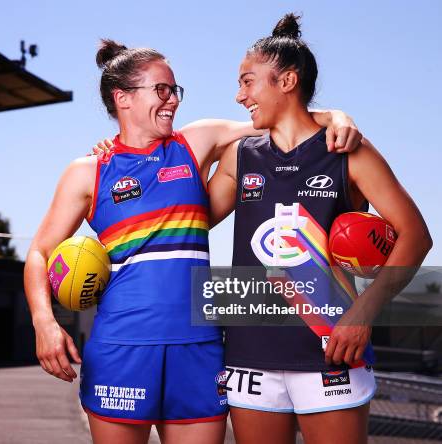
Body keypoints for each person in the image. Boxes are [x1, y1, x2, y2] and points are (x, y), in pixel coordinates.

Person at [23, 38, 362, 444]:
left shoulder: (195, 142)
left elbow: (284, 116)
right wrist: (44, 322)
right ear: (123, 98)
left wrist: (337, 117)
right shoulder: (88, 172)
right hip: (121, 348)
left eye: (175, 90)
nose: (173, 101)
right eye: (161, 90)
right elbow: (40, 253)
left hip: (199, 349)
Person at [207, 13, 433, 444]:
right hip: (250, 349)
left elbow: (416, 235)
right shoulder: (241, 156)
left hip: (331, 345)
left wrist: (362, 313)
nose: (239, 95)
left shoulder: (348, 150)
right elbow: (189, 220)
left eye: (248, 81)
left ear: (287, 81)